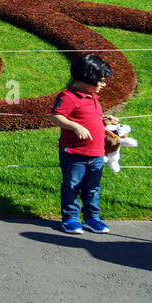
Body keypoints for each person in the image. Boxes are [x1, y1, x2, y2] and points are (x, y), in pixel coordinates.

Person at [50, 53, 117, 234]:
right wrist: (75, 126)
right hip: (74, 154)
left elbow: (89, 118)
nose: (104, 84)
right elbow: (56, 116)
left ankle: (92, 218)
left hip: (96, 153)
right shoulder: (68, 96)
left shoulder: (92, 96)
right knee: (72, 186)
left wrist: (104, 121)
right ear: (89, 77)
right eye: (101, 80)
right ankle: (71, 219)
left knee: (93, 188)